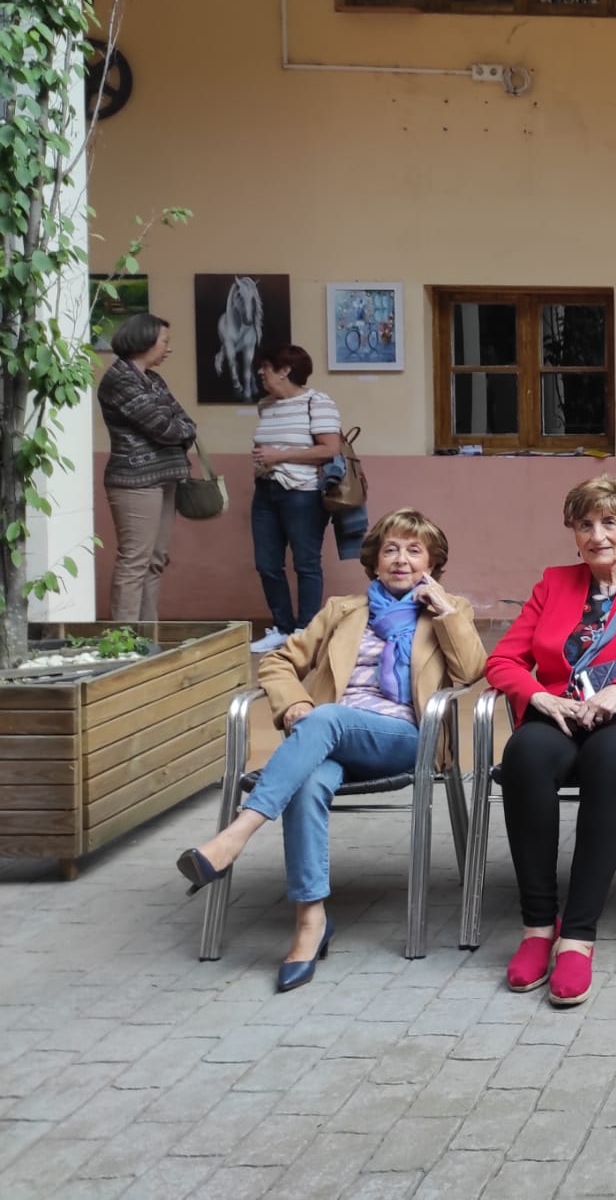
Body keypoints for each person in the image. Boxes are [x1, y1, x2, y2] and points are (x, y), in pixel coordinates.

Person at [173, 509, 486, 991]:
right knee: (308, 779)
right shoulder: (343, 611)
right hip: (328, 735)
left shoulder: (450, 610)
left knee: (328, 718)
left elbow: (469, 671)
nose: (400, 560)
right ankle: (310, 920)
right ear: (375, 561)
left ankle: (236, 834)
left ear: (432, 563)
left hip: (402, 740)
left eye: (414, 550)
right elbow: (278, 659)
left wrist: (443, 611)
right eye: (390, 550)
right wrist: (295, 703)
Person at [486, 477, 616, 1006]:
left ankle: (578, 936)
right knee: (524, 755)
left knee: (609, 759)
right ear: (573, 533)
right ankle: (538, 927)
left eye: (610, 523)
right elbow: (503, 661)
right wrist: (540, 698)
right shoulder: (553, 584)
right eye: (586, 524)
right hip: (561, 713)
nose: (598, 534)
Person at [97, 312, 196, 622]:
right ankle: (124, 641)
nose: (169, 348)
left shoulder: (152, 380)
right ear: (144, 340)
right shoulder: (120, 380)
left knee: (155, 560)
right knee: (135, 561)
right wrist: (180, 430)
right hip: (134, 482)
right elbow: (163, 427)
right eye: (165, 341)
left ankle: (147, 635)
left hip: (165, 478)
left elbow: (185, 422)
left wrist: (180, 429)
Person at [249, 345, 344, 652]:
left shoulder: (318, 402)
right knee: (267, 563)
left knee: (306, 563)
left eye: (266, 366)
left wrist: (279, 455)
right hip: (266, 490)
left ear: (285, 370)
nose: (261, 372)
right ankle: (281, 627)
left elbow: (329, 449)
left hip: (302, 493)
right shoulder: (266, 405)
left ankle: (305, 630)